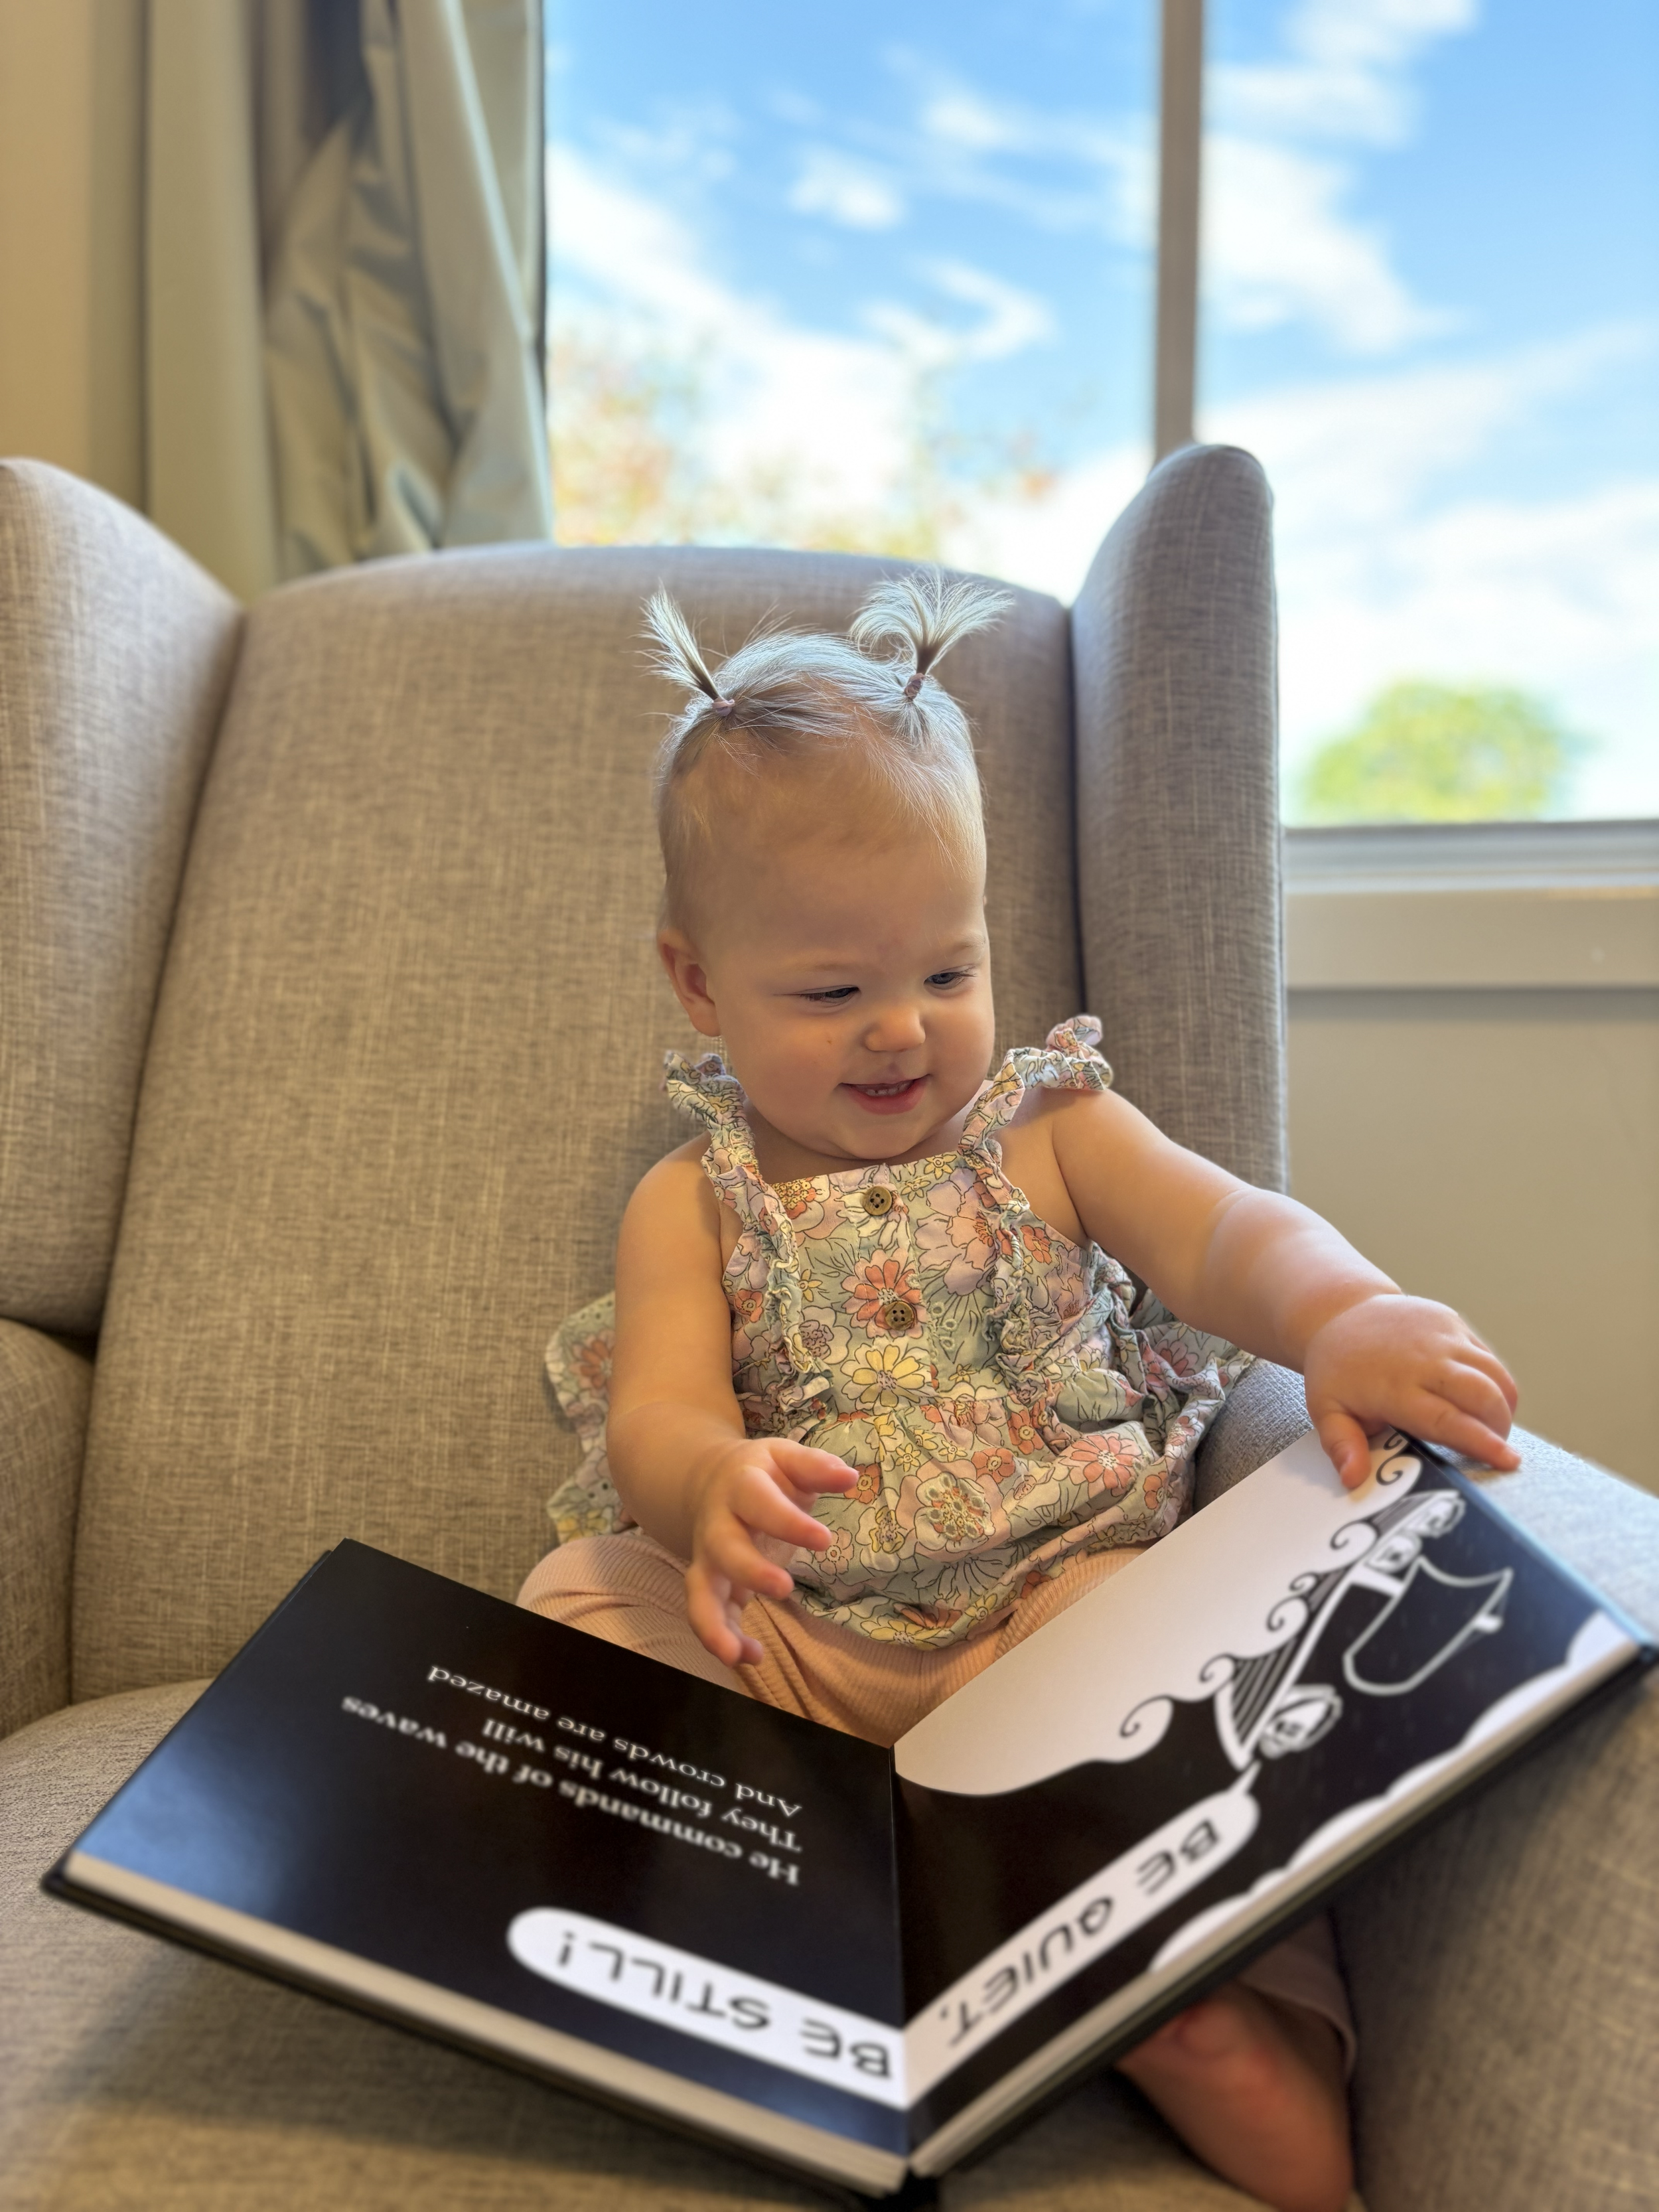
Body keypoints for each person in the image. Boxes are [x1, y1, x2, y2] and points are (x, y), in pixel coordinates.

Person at [519, 571, 1519, 2212]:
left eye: (945, 966)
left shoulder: (1045, 1129)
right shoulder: (689, 1201)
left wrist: (1340, 1311)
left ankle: (1192, 2003)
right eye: (830, 992)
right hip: (802, 1657)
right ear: (697, 985)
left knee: (1162, 1665)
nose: (900, 1030)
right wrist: (704, 1489)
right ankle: (781, 1935)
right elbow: (660, 1410)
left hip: (1051, 1608)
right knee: (576, 1598)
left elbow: (1222, 1229)